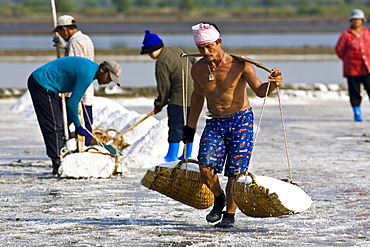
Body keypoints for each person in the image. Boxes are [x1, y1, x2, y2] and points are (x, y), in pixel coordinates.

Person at [182, 22, 283, 228]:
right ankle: (219, 198)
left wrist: (273, 84)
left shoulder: (241, 65)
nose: (206, 51)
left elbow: (260, 91)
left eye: (210, 46)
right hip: (215, 121)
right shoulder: (198, 69)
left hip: (241, 120)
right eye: (201, 48)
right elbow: (197, 96)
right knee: (205, 165)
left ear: (219, 42)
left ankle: (229, 215)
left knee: (236, 171)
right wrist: (190, 127)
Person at [27, 57, 122, 174]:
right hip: (42, 83)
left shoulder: (90, 70)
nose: (109, 82)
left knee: (59, 123)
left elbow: (73, 102)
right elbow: (72, 103)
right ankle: (58, 162)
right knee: (54, 125)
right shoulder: (87, 74)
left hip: (49, 86)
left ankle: (59, 158)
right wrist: (78, 126)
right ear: (103, 69)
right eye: (110, 78)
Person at [140, 30, 197, 162]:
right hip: (194, 97)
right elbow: (194, 60)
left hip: (178, 99)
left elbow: (164, 87)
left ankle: (171, 156)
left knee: (176, 127)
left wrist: (159, 104)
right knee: (190, 125)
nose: (149, 55)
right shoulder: (177, 49)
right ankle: (187, 155)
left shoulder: (161, 62)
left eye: (149, 52)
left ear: (155, 49)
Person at [52, 15, 95, 144]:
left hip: (76, 90)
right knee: (86, 122)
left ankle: (73, 147)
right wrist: (62, 45)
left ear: (65, 29)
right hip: (87, 88)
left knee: (67, 123)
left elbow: (70, 66)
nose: (60, 34)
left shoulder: (74, 43)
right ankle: (84, 147)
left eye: (60, 32)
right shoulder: (85, 39)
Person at [335, 9, 370, 122]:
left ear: (362, 21)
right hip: (352, 69)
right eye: (354, 20)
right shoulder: (346, 35)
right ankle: (357, 113)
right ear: (351, 21)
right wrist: (347, 60)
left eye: (358, 20)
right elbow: (339, 50)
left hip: (367, 67)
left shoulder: (367, 33)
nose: (356, 22)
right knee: (354, 92)